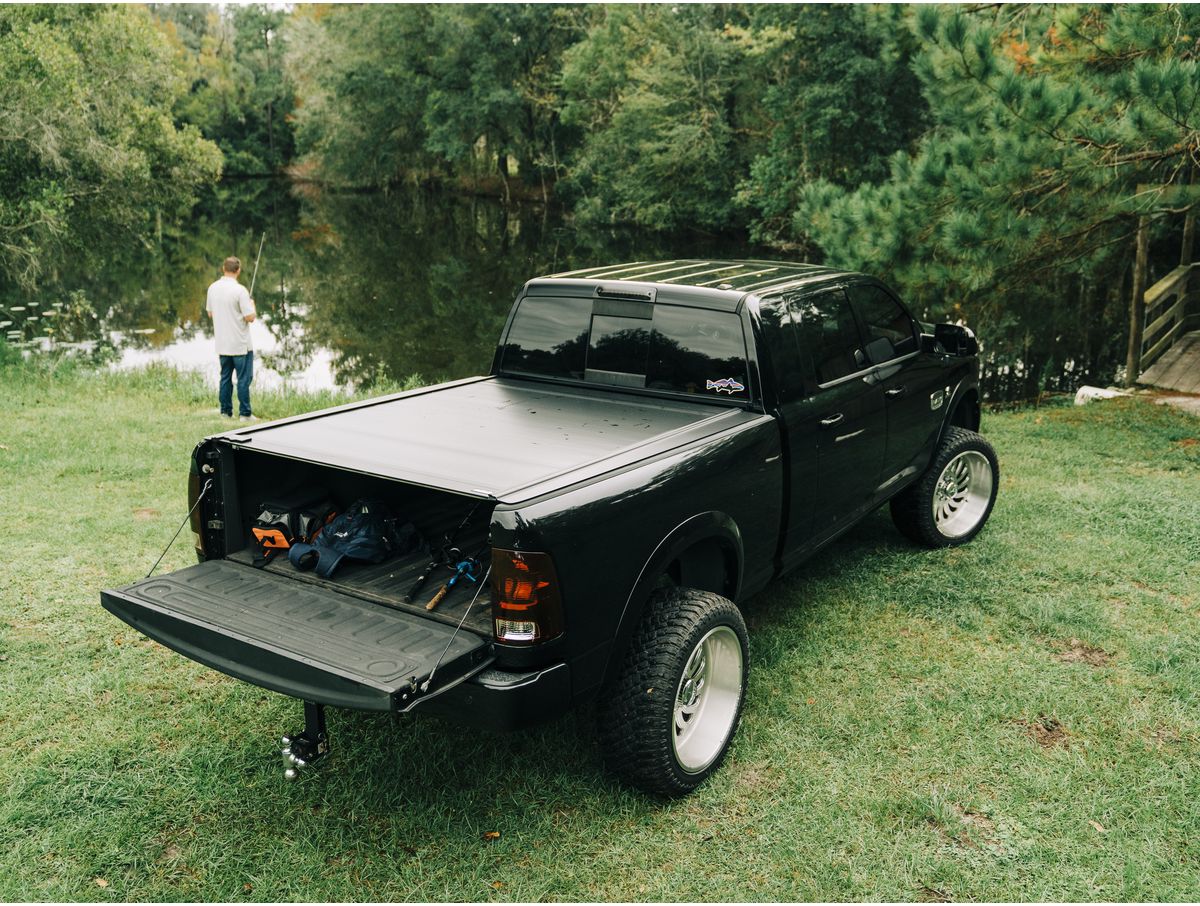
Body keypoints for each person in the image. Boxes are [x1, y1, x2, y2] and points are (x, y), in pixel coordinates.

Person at [206, 256, 257, 420]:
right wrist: (252, 306)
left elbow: (210, 313)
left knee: (225, 378)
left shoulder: (212, 288)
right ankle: (245, 414)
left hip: (222, 344)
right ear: (238, 270)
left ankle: (225, 412)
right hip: (240, 345)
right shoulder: (240, 291)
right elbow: (250, 317)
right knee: (244, 379)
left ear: (223, 268)